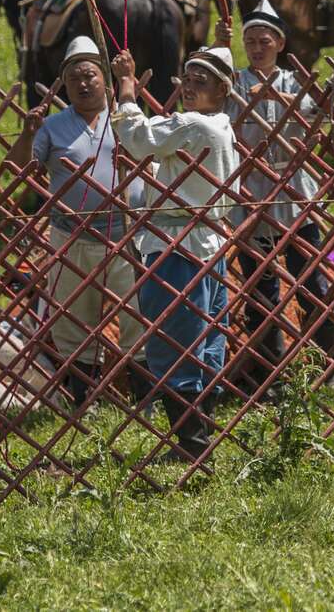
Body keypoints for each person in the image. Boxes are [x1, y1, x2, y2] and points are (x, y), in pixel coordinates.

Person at [110, 45, 240, 461]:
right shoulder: (221, 125)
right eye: (187, 79)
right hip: (209, 245)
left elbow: (137, 138)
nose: (188, 88)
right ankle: (202, 435)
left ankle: (191, 446)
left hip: (177, 247)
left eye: (201, 82)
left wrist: (127, 89)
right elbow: (163, 162)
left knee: (174, 342)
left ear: (222, 91)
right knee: (206, 343)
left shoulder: (193, 125)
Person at [13, 36, 138, 410]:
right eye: (74, 79)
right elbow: (18, 171)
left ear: (105, 79)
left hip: (123, 236)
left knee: (135, 315)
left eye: (90, 75)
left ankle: (146, 397)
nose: (83, 84)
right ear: (64, 86)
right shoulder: (51, 127)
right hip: (70, 238)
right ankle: (86, 400)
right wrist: (27, 134)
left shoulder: (125, 118)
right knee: (73, 321)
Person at [230, 0, 334, 392]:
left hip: (295, 193)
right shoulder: (233, 83)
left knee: (311, 280)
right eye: (250, 41)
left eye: (264, 40)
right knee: (260, 289)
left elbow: (320, 116)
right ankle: (269, 373)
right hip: (252, 194)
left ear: (279, 43)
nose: (257, 48)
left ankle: (328, 367)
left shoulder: (296, 83)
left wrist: (294, 101)